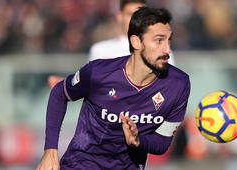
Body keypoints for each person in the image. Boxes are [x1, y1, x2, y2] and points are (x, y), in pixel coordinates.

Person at [37, 7, 190, 170]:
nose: (167, 49)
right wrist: (50, 152)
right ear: (136, 42)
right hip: (82, 164)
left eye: (169, 40)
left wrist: (138, 140)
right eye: (159, 40)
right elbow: (59, 93)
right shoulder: (99, 72)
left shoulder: (179, 84)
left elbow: (162, 141)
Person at [47, 0, 175, 90]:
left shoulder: (161, 49)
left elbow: (170, 88)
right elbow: (90, 87)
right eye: (130, 14)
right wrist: (65, 85)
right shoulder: (100, 50)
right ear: (120, 16)